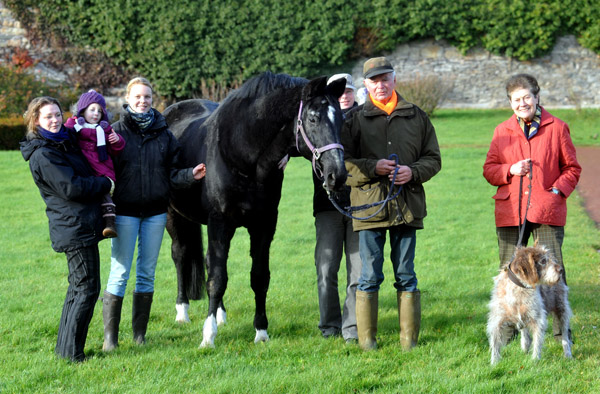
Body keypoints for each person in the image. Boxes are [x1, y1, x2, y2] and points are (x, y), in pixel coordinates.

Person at [341, 57, 441, 351]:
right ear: (365, 84)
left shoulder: (417, 116)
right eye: (374, 80)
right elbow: (342, 164)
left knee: (406, 275)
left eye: (385, 78)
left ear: (395, 80)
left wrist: (414, 171)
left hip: (406, 206)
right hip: (369, 209)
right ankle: (367, 344)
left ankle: (409, 343)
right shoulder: (353, 120)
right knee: (369, 276)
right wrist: (373, 167)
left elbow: (433, 159)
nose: (381, 85)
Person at [102, 77, 206, 351]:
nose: (143, 101)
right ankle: (110, 339)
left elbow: (171, 175)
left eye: (147, 97)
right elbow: (102, 169)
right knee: (120, 272)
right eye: (137, 96)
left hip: (155, 214)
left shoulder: (164, 134)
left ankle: (139, 336)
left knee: (147, 273)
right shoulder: (116, 132)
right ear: (128, 98)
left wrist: (190, 175)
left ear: (152, 99)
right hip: (124, 213)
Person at [483, 73, 581, 340]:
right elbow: (489, 170)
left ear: (537, 97)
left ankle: (562, 331)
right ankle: (510, 329)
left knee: (553, 269)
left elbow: (572, 168)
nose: (522, 103)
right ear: (510, 103)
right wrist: (509, 169)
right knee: (509, 269)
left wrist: (556, 192)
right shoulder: (501, 131)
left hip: (547, 209)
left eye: (527, 97)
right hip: (510, 210)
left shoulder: (558, 127)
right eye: (516, 99)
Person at [20, 96, 112, 362]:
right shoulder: (44, 153)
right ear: (36, 121)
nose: (54, 120)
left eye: (57, 114)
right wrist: (105, 184)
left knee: (78, 288)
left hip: (78, 224)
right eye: (47, 116)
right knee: (86, 289)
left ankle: (66, 350)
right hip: (74, 227)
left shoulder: (62, 142)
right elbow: (71, 187)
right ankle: (73, 354)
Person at [312, 73, 361, 343]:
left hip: (359, 206)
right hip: (327, 207)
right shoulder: (318, 119)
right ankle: (329, 326)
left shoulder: (363, 120)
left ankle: (351, 329)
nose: (345, 95)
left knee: (357, 270)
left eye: (349, 90)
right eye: (340, 92)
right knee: (326, 268)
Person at [65, 90, 126, 238]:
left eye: (99, 111)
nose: (96, 114)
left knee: (105, 195)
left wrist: (117, 141)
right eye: (92, 109)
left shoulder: (104, 130)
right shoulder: (75, 127)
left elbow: (115, 149)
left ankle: (110, 224)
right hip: (84, 168)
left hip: (101, 168)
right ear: (82, 110)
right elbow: (65, 134)